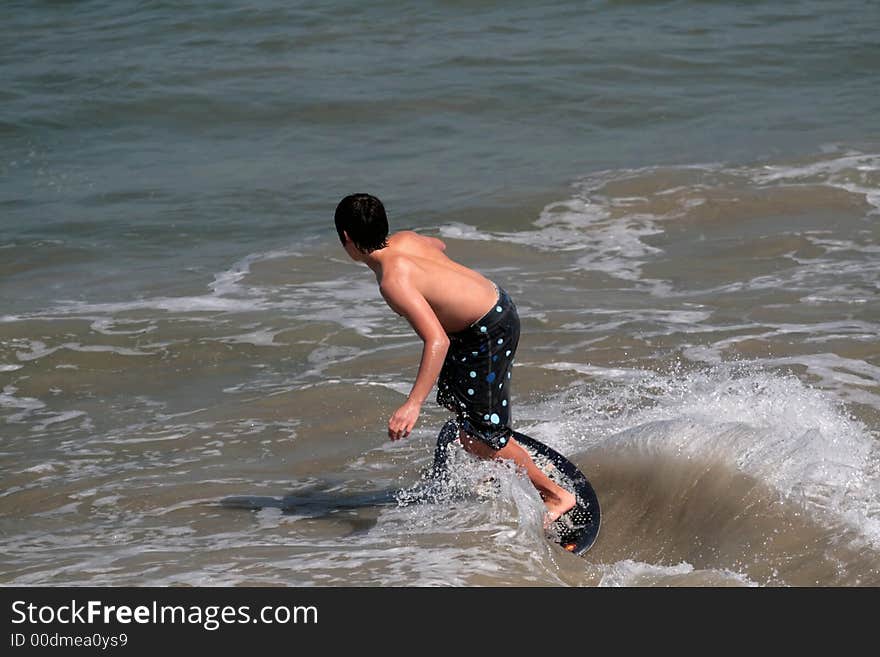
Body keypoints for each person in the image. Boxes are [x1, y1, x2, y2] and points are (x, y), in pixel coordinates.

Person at [334, 193, 576, 523]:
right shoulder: (404, 240)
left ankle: (556, 495)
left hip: (487, 331)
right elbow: (438, 246)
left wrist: (412, 404)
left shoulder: (393, 280)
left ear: (346, 238)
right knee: (456, 399)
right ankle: (492, 451)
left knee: (479, 437)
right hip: (489, 309)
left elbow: (437, 340)